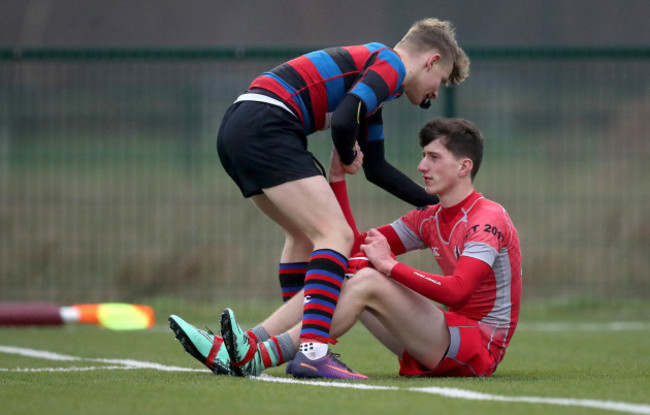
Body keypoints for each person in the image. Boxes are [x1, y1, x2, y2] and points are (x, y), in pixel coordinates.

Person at [168, 17, 470, 373]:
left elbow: (377, 169)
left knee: (303, 236)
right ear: (431, 60)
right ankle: (311, 351)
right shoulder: (389, 64)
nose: (436, 94)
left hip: (241, 124)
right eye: (441, 81)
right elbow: (344, 121)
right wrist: (345, 151)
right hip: (268, 122)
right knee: (336, 236)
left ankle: (263, 348)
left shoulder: (376, 87)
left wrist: (437, 204)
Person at [170, 117, 522, 379]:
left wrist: (390, 267)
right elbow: (355, 249)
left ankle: (258, 357)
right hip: (443, 336)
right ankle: (243, 346)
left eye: (433, 157)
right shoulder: (430, 217)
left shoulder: (486, 219)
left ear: (464, 167)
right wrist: (337, 181)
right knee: (345, 269)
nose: (421, 166)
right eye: (423, 156)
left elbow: (459, 292)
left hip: (478, 348)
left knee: (369, 278)